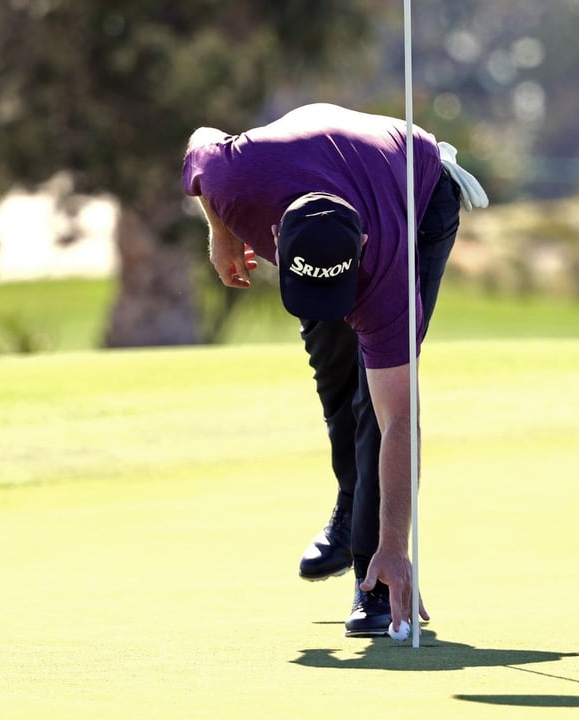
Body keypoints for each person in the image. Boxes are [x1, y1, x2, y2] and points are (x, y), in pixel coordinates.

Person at [182, 103, 486, 637]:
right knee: (332, 371)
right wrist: (221, 230)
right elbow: (200, 139)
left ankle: (372, 579)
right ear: (275, 237)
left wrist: (394, 547)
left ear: (361, 249)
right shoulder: (234, 178)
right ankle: (351, 505)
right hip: (318, 174)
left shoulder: (386, 270)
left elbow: (399, 419)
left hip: (418, 195)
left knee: (372, 402)